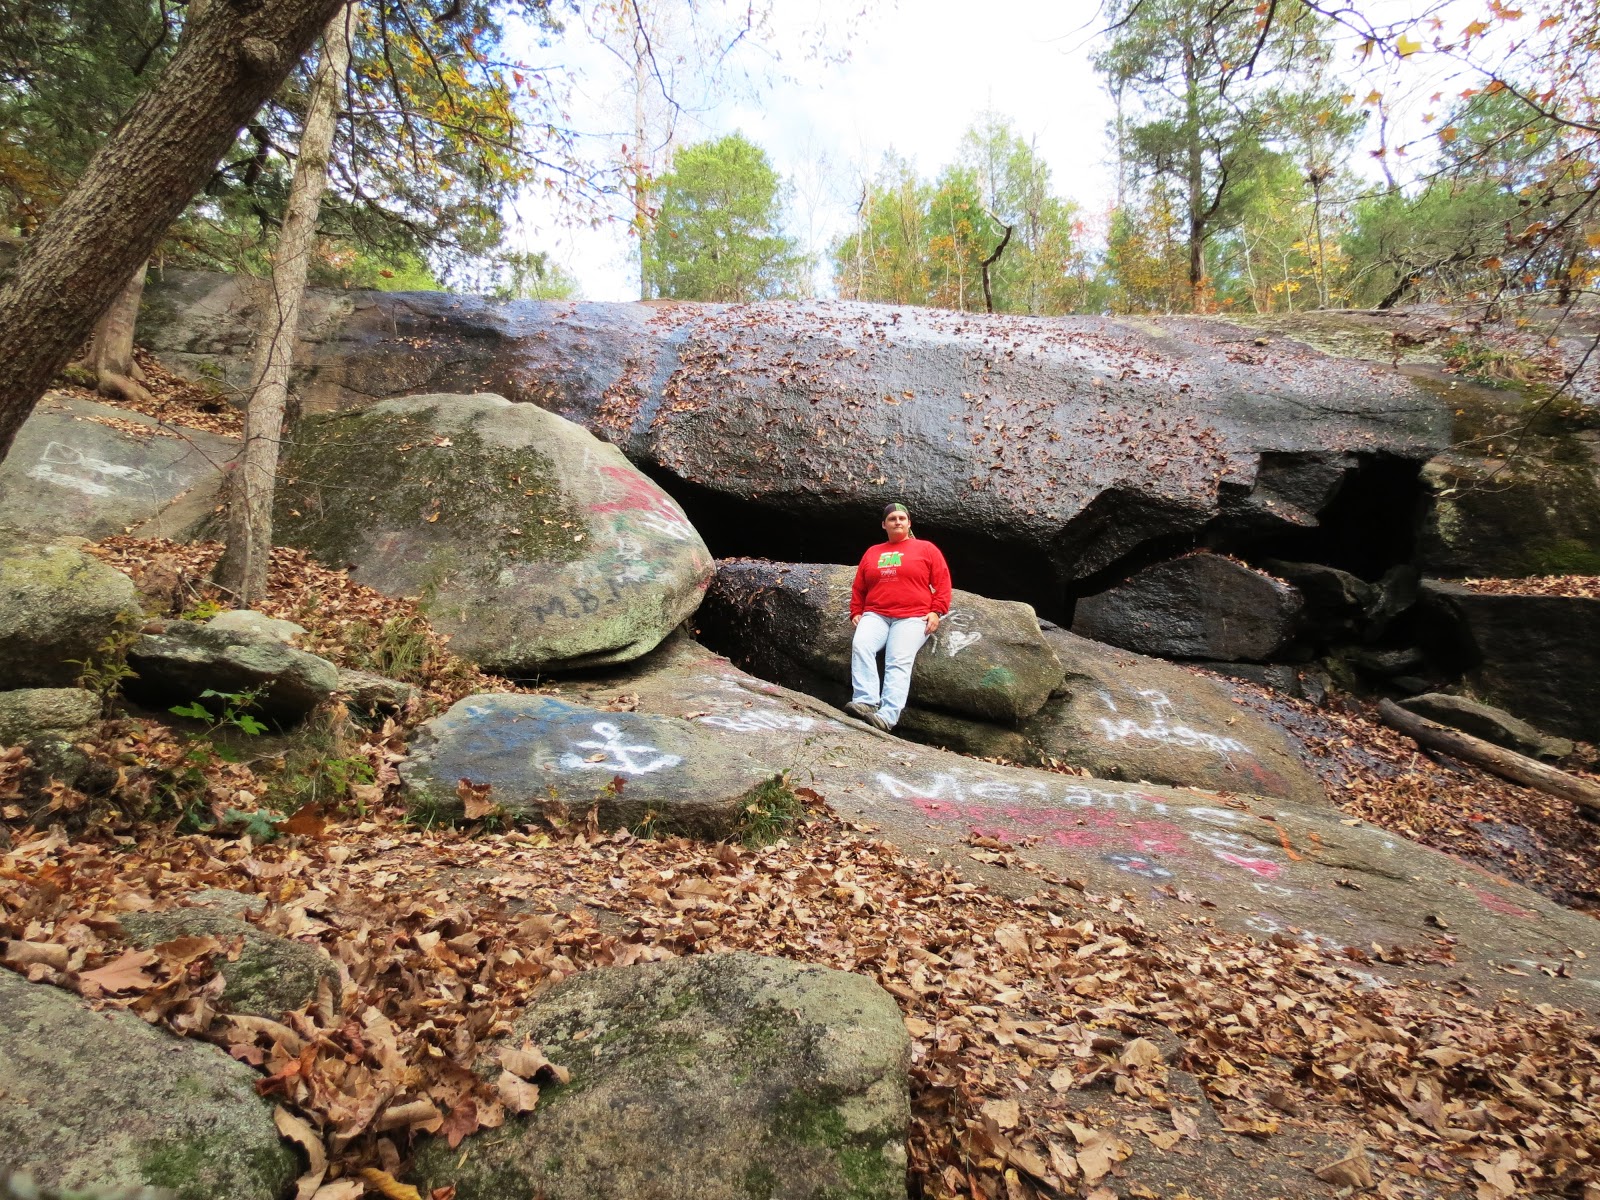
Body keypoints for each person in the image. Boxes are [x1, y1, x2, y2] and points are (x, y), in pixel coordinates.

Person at [847, 502, 951, 731]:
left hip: (913, 617)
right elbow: (859, 586)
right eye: (892, 519)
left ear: (909, 523)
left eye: (902, 518)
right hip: (876, 614)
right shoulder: (873, 552)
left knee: (897, 659)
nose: (897, 522)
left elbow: (942, 582)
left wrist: (937, 611)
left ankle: (887, 716)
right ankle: (865, 701)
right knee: (861, 645)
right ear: (884, 524)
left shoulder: (926, 549)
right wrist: (856, 611)